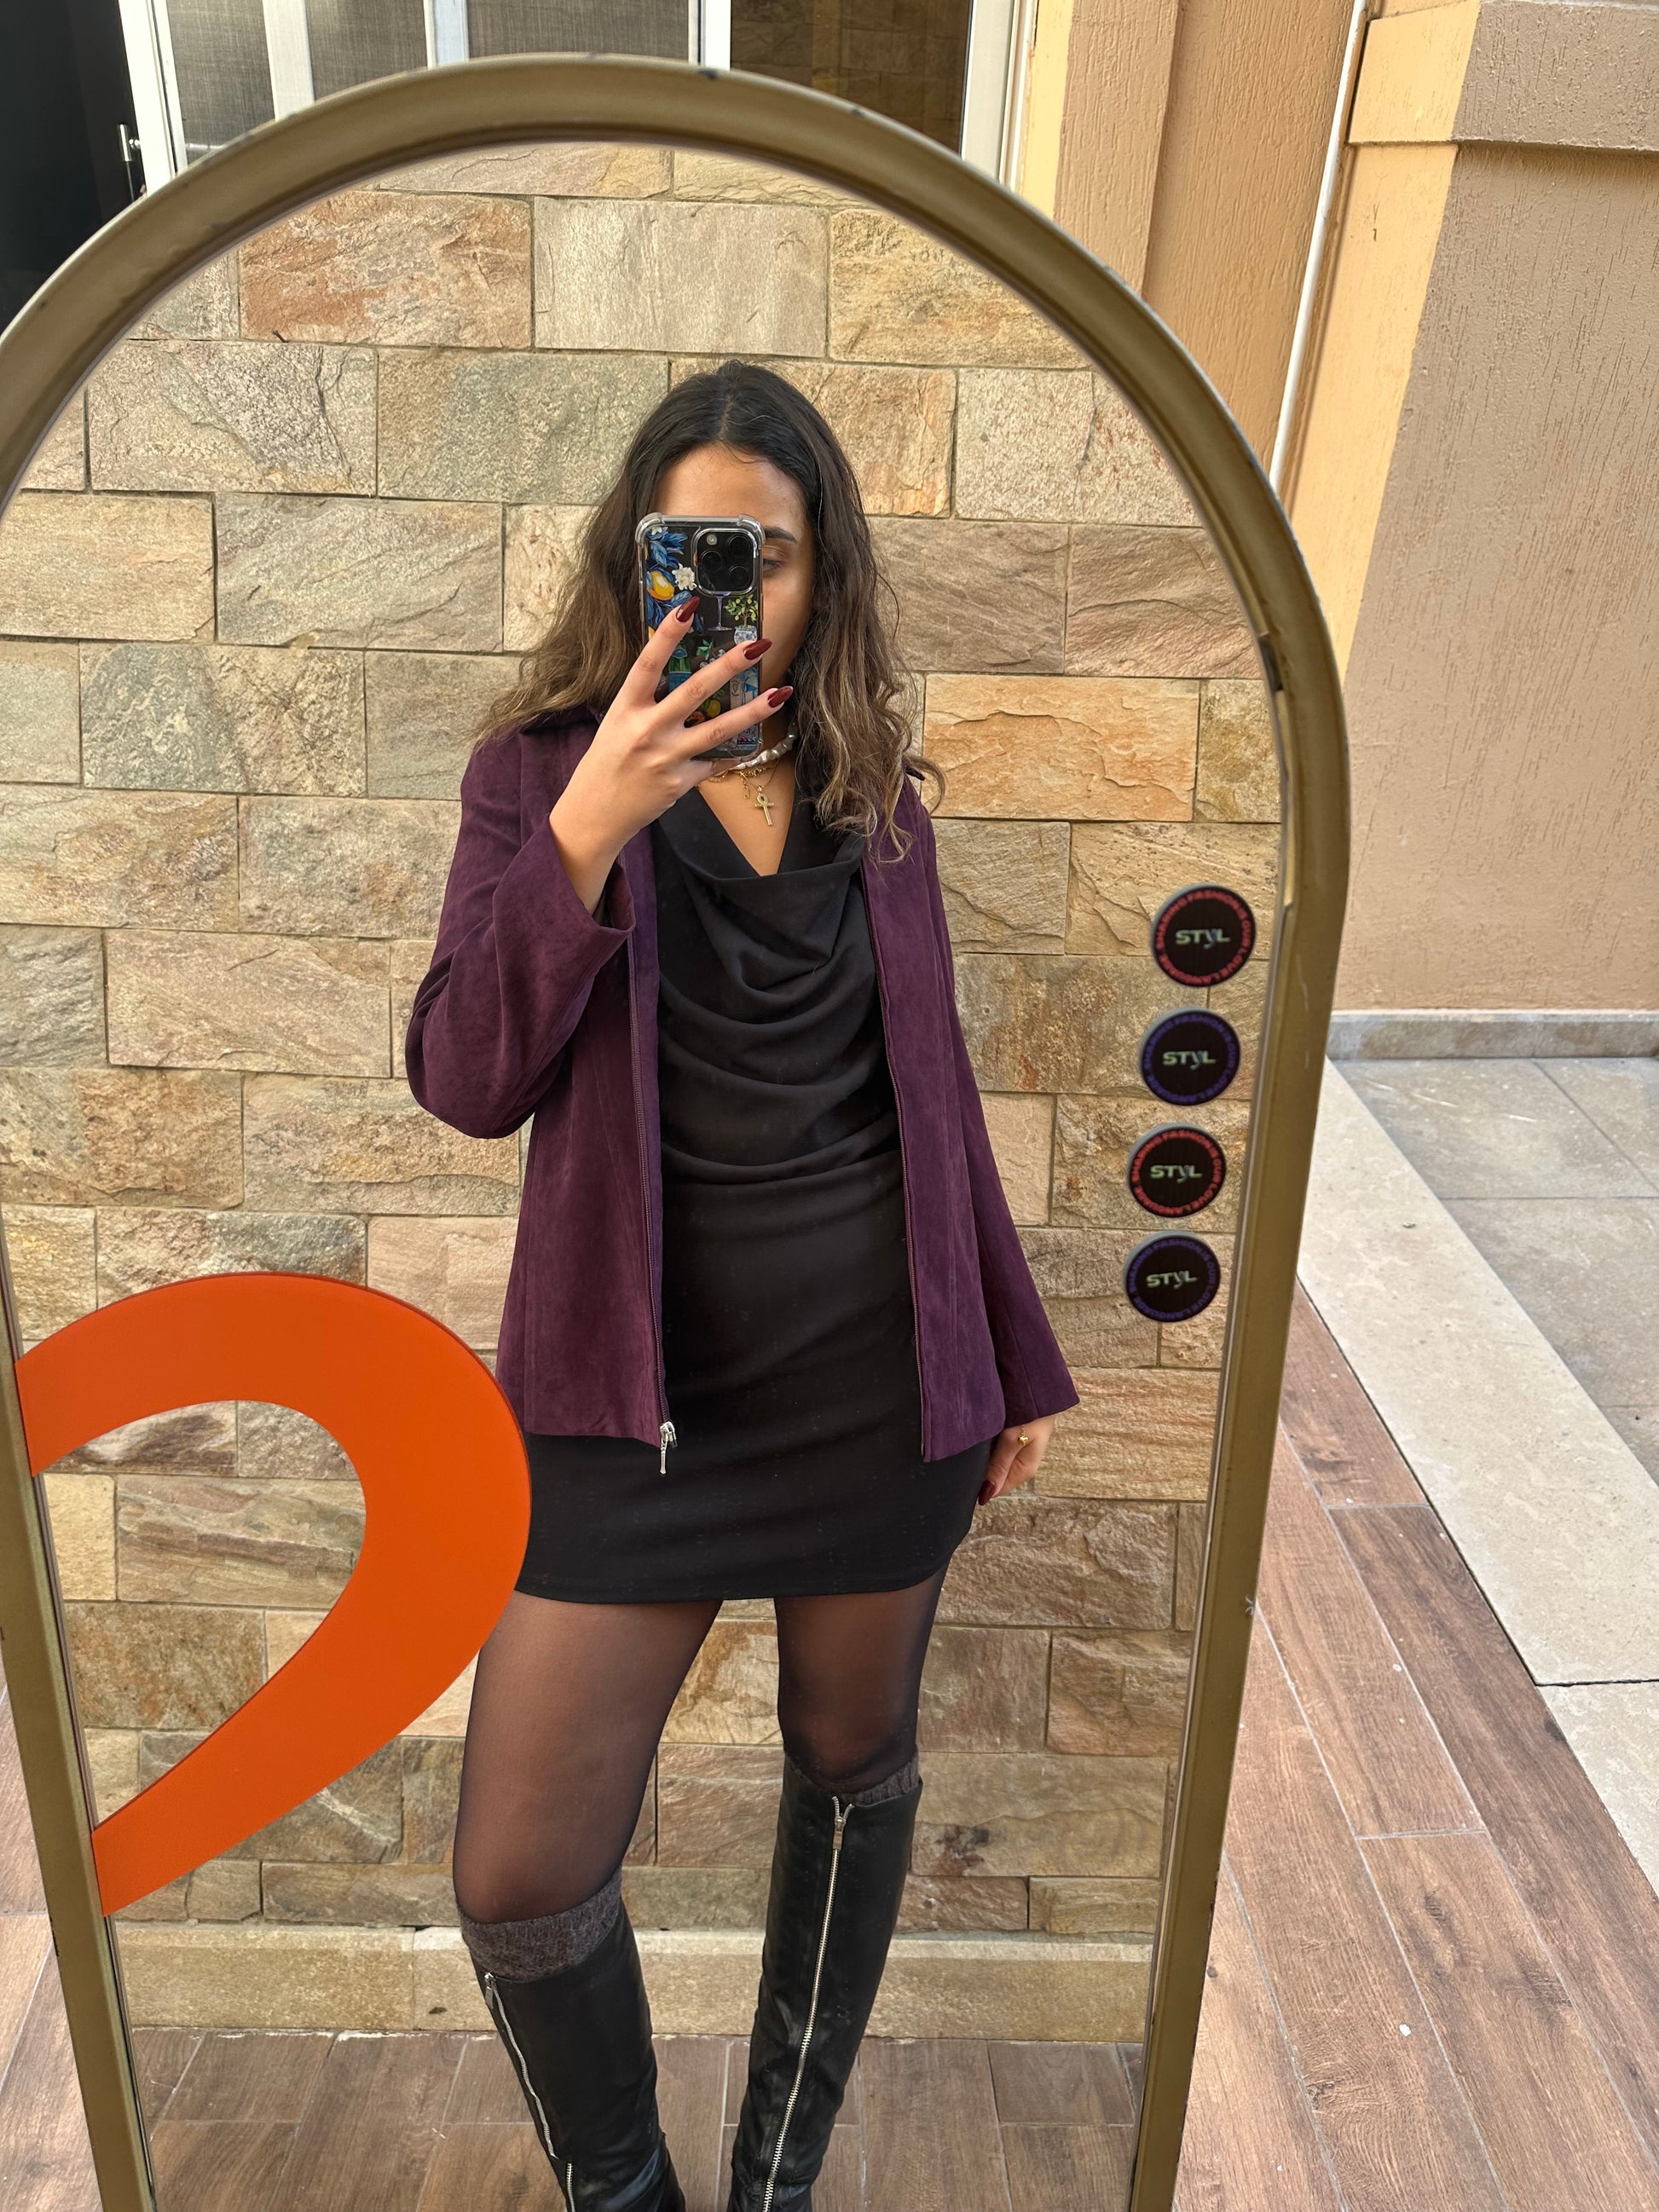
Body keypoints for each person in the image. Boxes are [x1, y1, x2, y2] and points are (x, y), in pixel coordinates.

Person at [406, 361, 1078, 2212]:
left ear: (818, 571)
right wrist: (589, 828)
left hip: (878, 1387)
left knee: (852, 1761)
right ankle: (628, 2197)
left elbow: (932, 1101)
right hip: (631, 1407)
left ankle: (778, 2181)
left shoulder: (878, 799)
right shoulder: (536, 778)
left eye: (762, 555)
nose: (724, 588)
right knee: (519, 1870)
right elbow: (464, 1077)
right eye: (684, 551)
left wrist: (1012, 1359)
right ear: (631, 566)